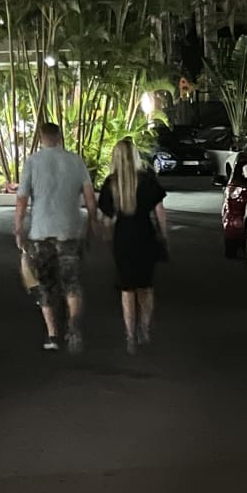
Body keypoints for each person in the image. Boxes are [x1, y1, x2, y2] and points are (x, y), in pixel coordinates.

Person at [14, 121, 96, 352]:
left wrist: (18, 229)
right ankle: (74, 328)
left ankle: (52, 335)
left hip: (41, 234)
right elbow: (90, 198)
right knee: (71, 283)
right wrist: (92, 224)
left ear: (41, 138)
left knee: (45, 285)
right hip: (70, 232)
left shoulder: (32, 162)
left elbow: (21, 200)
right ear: (60, 137)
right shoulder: (76, 161)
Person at [97, 136, 168, 352]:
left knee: (126, 288)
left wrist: (107, 238)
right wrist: (164, 235)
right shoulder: (146, 180)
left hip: (123, 238)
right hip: (145, 235)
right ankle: (144, 328)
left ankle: (129, 335)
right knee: (146, 287)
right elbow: (159, 210)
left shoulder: (111, 183)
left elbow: (106, 219)